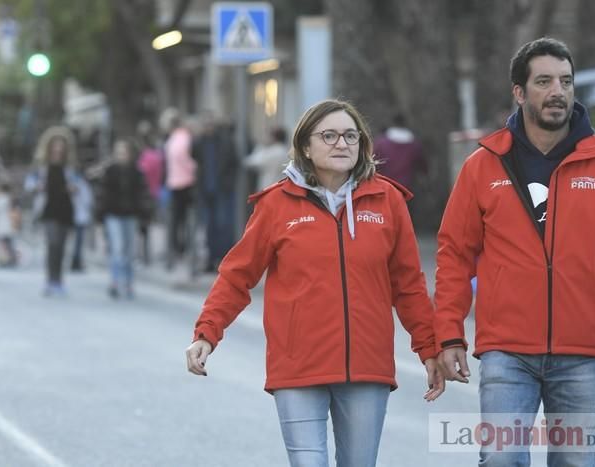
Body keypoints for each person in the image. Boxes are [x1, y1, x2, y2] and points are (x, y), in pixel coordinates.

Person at [434, 37, 595, 467]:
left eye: (566, 81)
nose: (557, 91)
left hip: (583, 350)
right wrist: (449, 331)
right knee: (501, 460)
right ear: (520, 92)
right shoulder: (483, 166)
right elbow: (455, 253)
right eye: (544, 81)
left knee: (574, 463)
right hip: (506, 349)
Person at [186, 99, 444, 467]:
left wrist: (429, 348)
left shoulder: (388, 200)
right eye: (329, 135)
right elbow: (236, 276)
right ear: (306, 145)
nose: (342, 144)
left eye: (350, 136)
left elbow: (408, 286)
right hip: (298, 366)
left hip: (366, 367)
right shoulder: (276, 204)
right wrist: (206, 333)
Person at [24, 126, 79, 297]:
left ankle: (59, 280)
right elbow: (29, 183)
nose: (58, 148)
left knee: (62, 246)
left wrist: (74, 188)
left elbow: (79, 185)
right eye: (55, 145)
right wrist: (37, 187)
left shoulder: (71, 166)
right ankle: (50, 280)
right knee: (52, 243)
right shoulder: (41, 165)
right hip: (47, 209)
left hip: (66, 208)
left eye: (61, 145)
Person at [96, 139, 151, 299]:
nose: (122, 156)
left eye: (125, 152)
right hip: (113, 214)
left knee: (129, 250)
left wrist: (145, 214)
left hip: (130, 214)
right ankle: (115, 281)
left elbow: (143, 195)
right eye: (119, 153)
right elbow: (102, 195)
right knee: (118, 248)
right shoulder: (109, 172)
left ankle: (128, 282)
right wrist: (100, 215)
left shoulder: (136, 172)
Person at [192, 111, 239, 272]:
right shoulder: (199, 143)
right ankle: (211, 260)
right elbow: (193, 156)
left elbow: (234, 163)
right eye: (205, 124)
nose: (208, 127)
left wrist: (228, 182)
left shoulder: (225, 141)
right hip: (206, 190)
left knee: (224, 224)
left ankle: (224, 259)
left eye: (210, 124)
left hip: (222, 190)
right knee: (209, 226)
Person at [163, 109, 197, 265]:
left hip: (176, 181)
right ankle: (181, 248)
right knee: (183, 219)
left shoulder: (174, 139)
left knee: (177, 219)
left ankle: (177, 248)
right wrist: (194, 168)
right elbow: (183, 157)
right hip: (185, 181)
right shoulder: (183, 137)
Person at [374, 114, 426, 192]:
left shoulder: (381, 143)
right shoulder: (414, 145)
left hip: (384, 187)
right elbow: (423, 168)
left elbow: (373, 163)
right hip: (407, 189)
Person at [136, 120, 163, 265]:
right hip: (155, 193)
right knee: (146, 226)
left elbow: (142, 176)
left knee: (142, 227)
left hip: (144, 195)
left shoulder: (144, 157)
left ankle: (143, 255)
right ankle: (145, 255)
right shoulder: (158, 155)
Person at [244, 126, 289, 191]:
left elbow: (251, 162)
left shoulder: (271, 152)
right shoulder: (286, 152)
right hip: (282, 188)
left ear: (274, 138)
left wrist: (261, 146)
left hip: (269, 187)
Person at [69, 169, 93, 272]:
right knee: (77, 241)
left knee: (78, 242)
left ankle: (77, 261)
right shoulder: (80, 185)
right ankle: (75, 261)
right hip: (77, 217)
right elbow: (88, 201)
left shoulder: (82, 185)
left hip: (80, 217)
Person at [0, 182, 17, 267]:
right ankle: (11, 260)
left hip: (2, 225)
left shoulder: (0, 199)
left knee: (3, 243)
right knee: (8, 243)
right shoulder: (9, 198)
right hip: (8, 225)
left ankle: (6, 260)